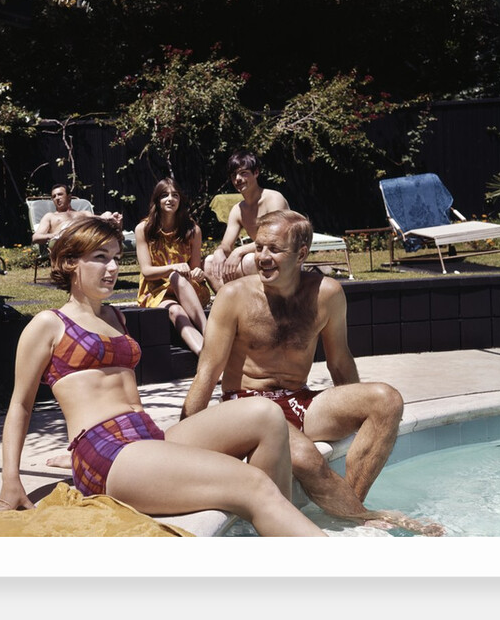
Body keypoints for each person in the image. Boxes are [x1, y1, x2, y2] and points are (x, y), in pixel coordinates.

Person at [0, 215, 325, 537]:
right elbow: (21, 406)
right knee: (252, 483)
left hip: (148, 438)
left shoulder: (116, 317)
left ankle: (275, 538)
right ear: (70, 263)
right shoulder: (49, 324)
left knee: (266, 416)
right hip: (105, 451)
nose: (112, 268)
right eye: (100, 257)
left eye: (115, 257)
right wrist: (12, 482)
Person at [182, 209, 445, 536]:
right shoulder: (233, 296)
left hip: (298, 400)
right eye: (258, 247)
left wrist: (355, 410)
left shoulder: (327, 294)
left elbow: (339, 361)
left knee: (386, 401)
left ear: (301, 254)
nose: (262, 257)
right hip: (249, 405)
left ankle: (348, 509)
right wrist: (183, 439)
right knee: (305, 456)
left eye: (274, 249)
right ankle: (362, 517)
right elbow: (207, 372)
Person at [135, 178, 211, 355]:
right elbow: (147, 272)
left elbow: (192, 269)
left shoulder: (192, 230)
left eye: (174, 195)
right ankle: (206, 353)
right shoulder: (144, 229)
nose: (170, 199)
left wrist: (198, 273)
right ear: (157, 200)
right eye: (164, 195)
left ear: (180, 200)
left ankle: (209, 333)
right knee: (176, 311)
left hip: (187, 290)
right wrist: (173, 268)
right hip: (156, 292)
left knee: (177, 278)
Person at [203, 150, 290, 293]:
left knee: (250, 260)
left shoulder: (274, 199)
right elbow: (226, 244)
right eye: (233, 175)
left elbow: (275, 239)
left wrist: (239, 251)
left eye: (243, 173)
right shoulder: (238, 209)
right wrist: (219, 251)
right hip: (260, 255)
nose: (237, 179)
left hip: (282, 258)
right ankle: (230, 307)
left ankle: (262, 307)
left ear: (256, 173)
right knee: (209, 263)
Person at [32, 184, 122, 247]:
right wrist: (55, 235)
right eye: (54, 196)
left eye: (60, 194)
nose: (57, 198)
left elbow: (100, 220)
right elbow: (36, 237)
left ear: (69, 197)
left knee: (107, 214)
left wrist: (111, 219)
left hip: (86, 240)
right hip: (65, 243)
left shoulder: (84, 213)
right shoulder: (50, 216)